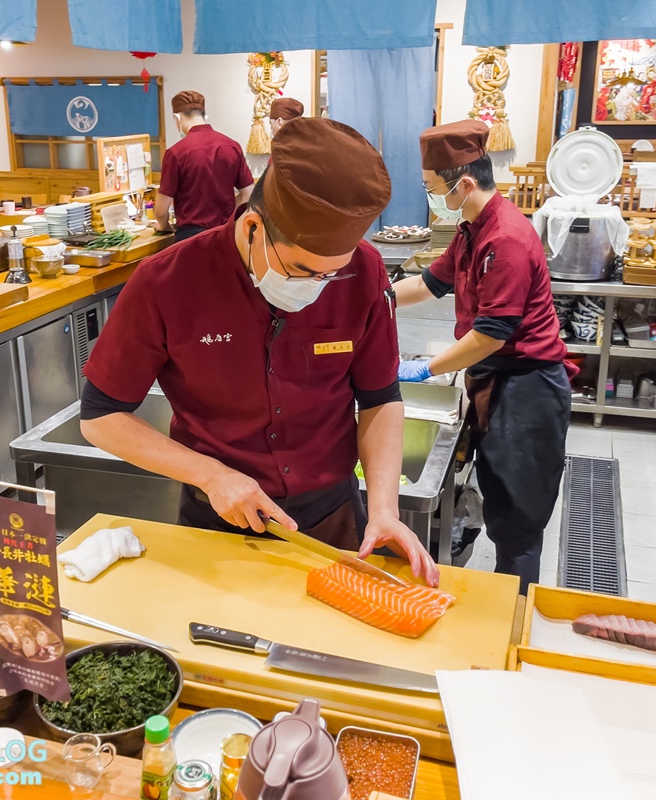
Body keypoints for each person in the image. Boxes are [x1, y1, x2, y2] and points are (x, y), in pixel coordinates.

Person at [81, 117, 439, 586]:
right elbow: (101, 416)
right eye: (303, 270)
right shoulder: (166, 281)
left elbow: (380, 398)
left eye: (332, 274)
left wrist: (385, 508)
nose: (318, 286)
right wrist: (210, 475)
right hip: (218, 522)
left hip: (332, 517)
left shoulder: (366, 272)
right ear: (252, 227)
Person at [392, 120, 574, 592]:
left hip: (527, 391)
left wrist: (424, 369)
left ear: (465, 184)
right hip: (497, 381)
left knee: (517, 523)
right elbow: (430, 283)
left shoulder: (506, 237)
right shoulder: (472, 229)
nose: (432, 198)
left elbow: (492, 334)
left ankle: (515, 613)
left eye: (434, 189)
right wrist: (376, 299)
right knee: (498, 502)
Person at [154, 91, 254, 243]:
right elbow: (248, 195)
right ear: (204, 116)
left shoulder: (176, 153)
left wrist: (164, 226)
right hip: (226, 236)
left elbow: (161, 210)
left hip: (192, 240)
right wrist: (225, 213)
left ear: (177, 118)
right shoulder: (232, 146)